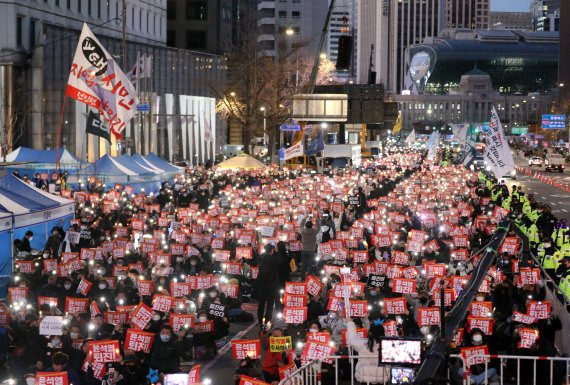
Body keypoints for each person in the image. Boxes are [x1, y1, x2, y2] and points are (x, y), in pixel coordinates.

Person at [345, 315, 389, 384]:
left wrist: (350, 323)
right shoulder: (388, 345)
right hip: (382, 377)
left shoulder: (363, 344)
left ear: (370, 333)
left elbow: (352, 339)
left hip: (365, 377)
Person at [254, 244, 282, 326]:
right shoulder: (272, 259)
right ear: (272, 250)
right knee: (270, 303)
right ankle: (267, 320)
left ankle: (260, 320)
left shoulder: (260, 257)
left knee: (261, 302)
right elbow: (280, 259)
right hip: (271, 284)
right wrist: (277, 252)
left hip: (262, 284)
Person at [300, 216, 319, 281]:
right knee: (310, 265)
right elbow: (318, 227)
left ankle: (302, 279)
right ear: (312, 225)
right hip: (312, 250)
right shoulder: (314, 231)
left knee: (303, 265)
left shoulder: (303, 231)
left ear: (305, 225)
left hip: (304, 250)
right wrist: (316, 219)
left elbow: (301, 225)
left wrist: (304, 218)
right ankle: (309, 278)